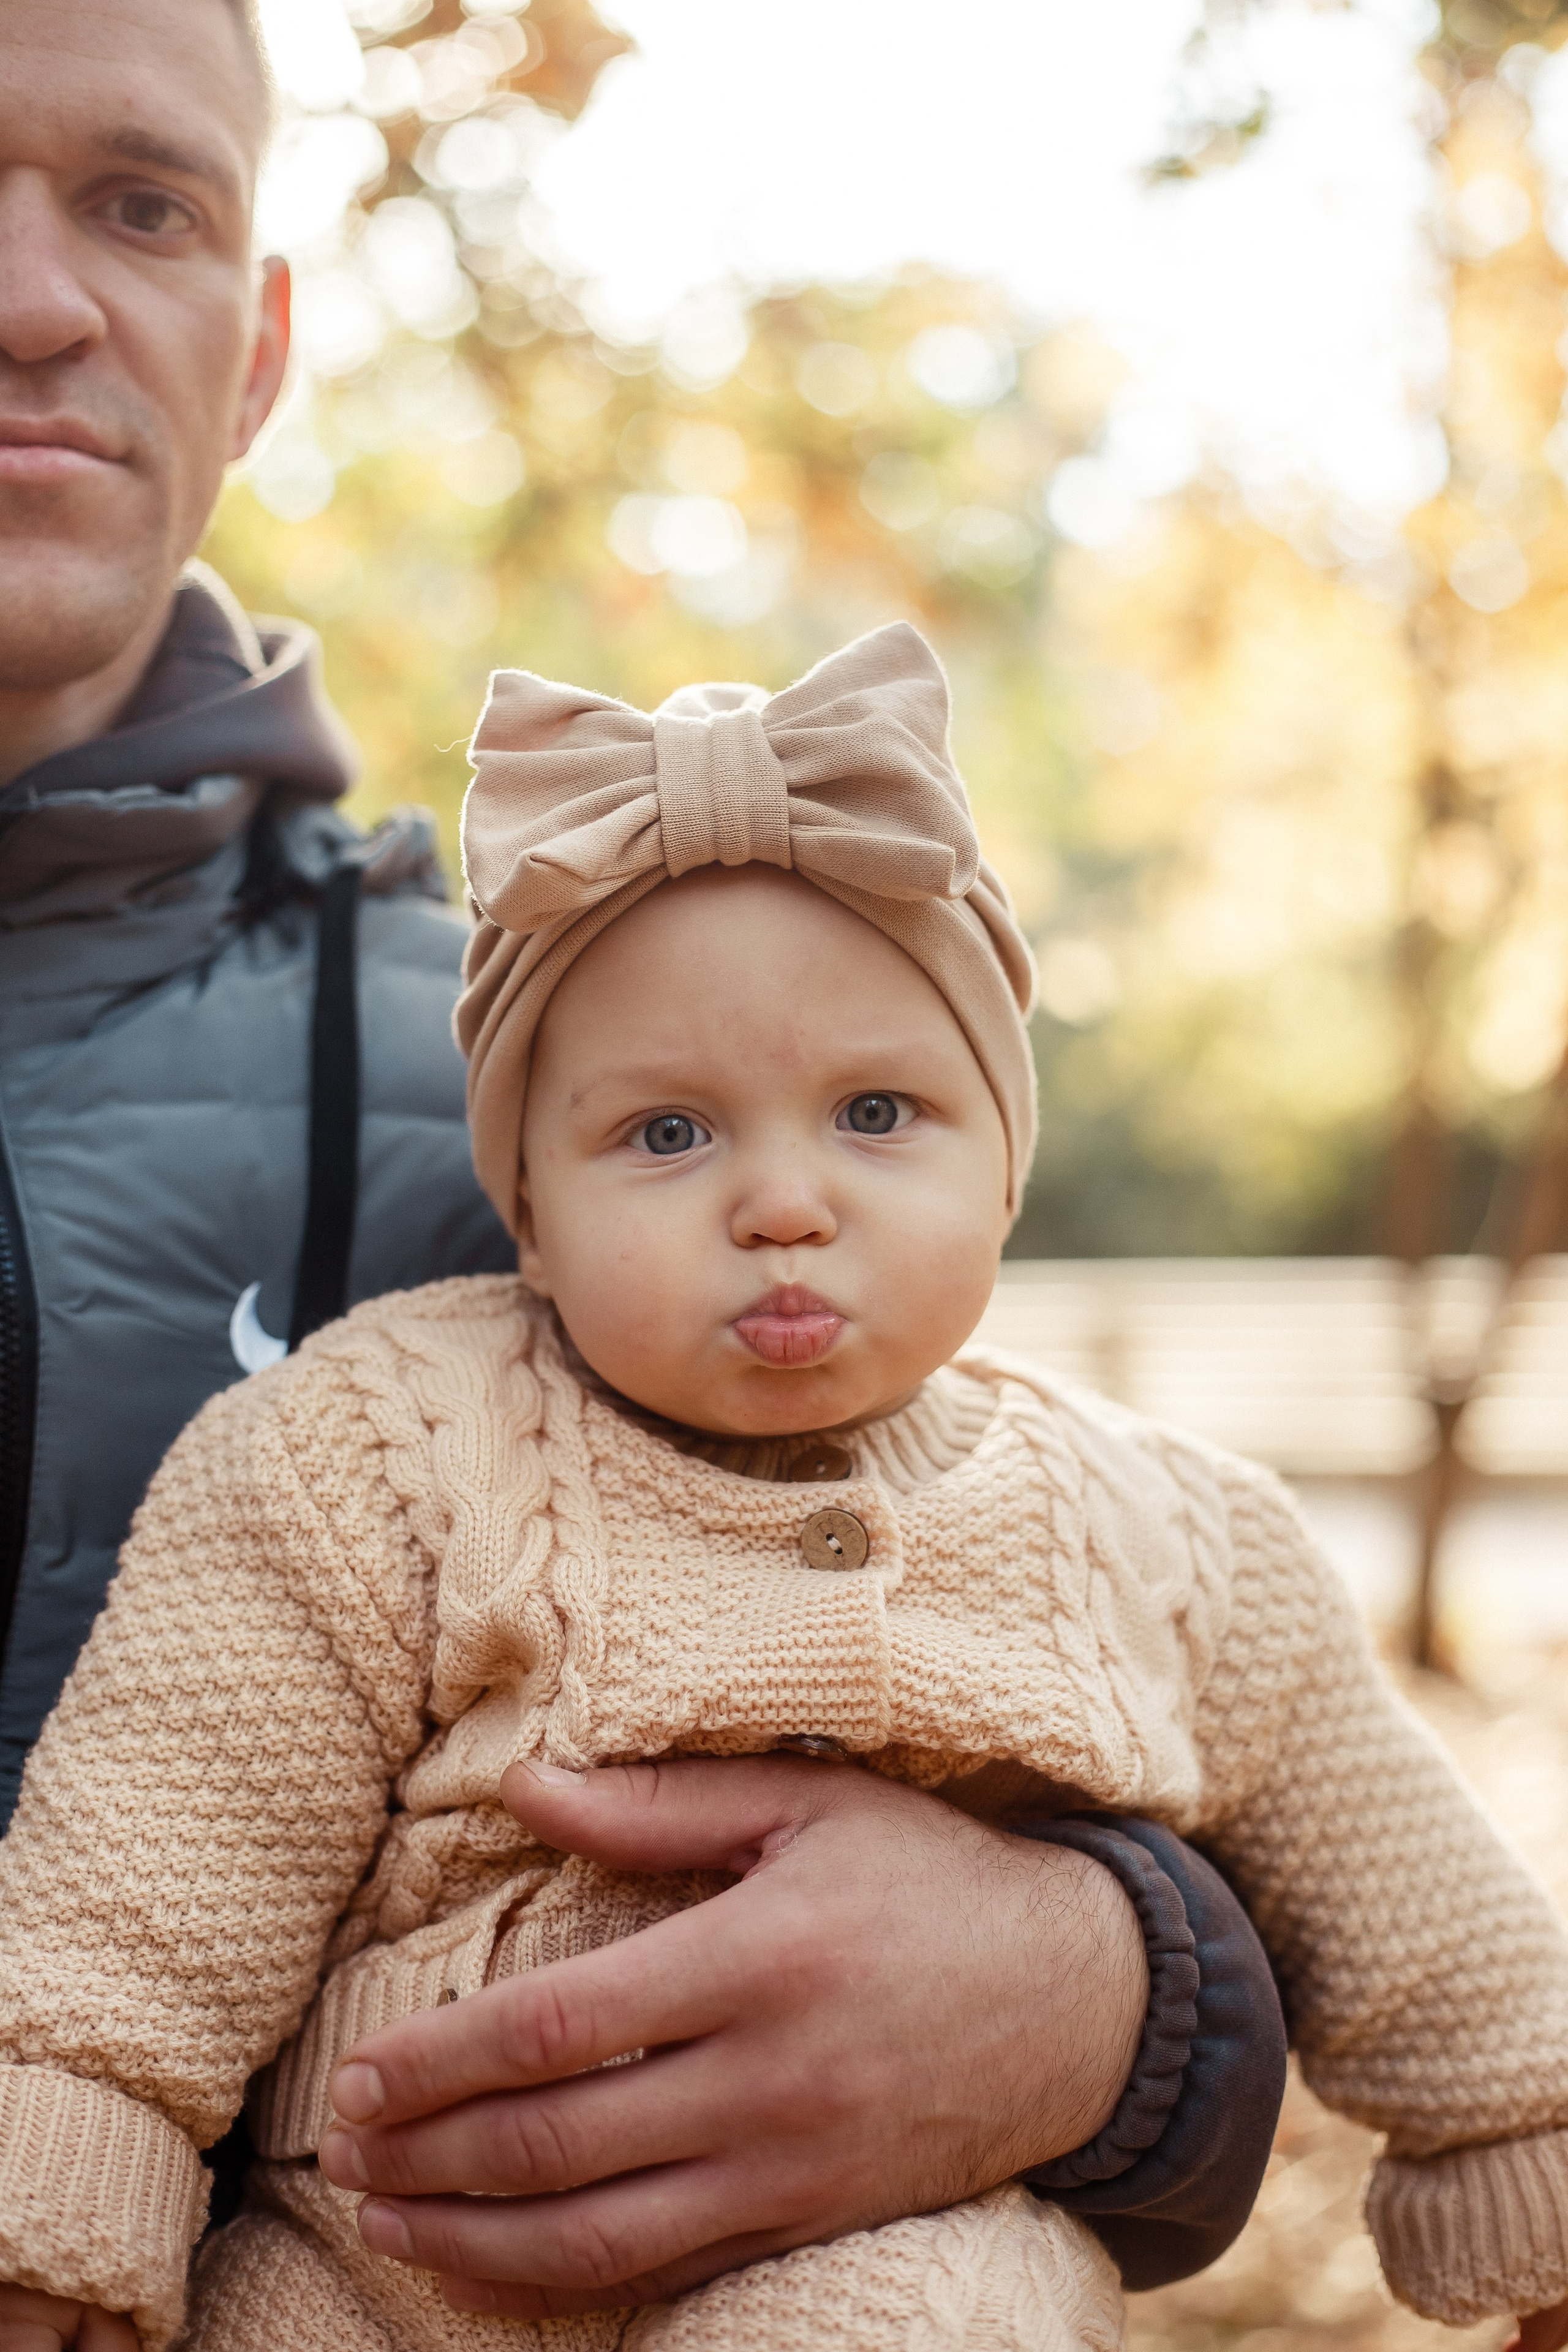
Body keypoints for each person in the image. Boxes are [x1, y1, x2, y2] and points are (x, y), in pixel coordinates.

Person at [0, 0, 1292, 2324]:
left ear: (259, 340)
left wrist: (1125, 1997)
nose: (36, 300)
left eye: (142, 200)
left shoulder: (551, 1086)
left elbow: (1095, 1609)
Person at [3, 624, 1568, 2352]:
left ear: (1006, 1167)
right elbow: (157, 1852)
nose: (783, 1203)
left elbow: (1423, 1916)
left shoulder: (1184, 1539)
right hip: (373, 2250)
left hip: (878, 2256)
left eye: (879, 1112)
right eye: (668, 1134)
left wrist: (1534, 2149)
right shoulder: (371, 1446)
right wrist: (65, 2180)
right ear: (525, 1204)